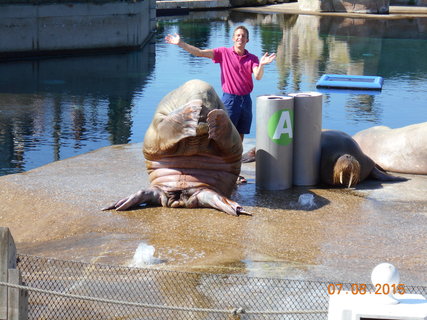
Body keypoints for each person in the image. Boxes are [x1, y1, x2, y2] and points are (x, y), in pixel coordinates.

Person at [165, 25, 276, 183]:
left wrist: (263, 64)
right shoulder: (223, 53)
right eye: (237, 35)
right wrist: (181, 43)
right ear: (233, 38)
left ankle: (233, 171)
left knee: (239, 137)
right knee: (223, 137)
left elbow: (257, 76)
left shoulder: (252, 58)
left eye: (243, 36)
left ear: (247, 40)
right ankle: (216, 168)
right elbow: (200, 53)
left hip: (246, 100)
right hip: (230, 100)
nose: (240, 38)